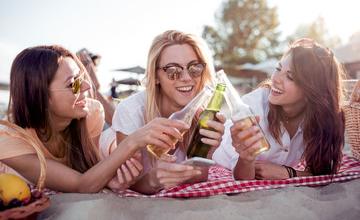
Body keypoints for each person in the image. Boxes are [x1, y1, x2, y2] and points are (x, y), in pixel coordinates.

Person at [0, 45, 190, 193]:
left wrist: (110, 180)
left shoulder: (91, 114)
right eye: (73, 84)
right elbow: (81, 184)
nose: (87, 87)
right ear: (38, 94)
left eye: (83, 77)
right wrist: (132, 141)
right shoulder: (9, 137)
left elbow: (91, 172)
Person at [109, 30, 226, 194]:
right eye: (172, 70)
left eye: (194, 68)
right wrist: (154, 179)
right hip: (109, 142)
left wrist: (206, 153)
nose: (186, 77)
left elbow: (196, 178)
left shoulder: (203, 114)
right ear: (156, 76)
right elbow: (127, 182)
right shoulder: (131, 111)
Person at [212, 38, 346, 180]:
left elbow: (324, 171)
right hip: (216, 149)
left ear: (311, 91)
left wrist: (289, 173)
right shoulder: (254, 106)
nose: (275, 79)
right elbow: (242, 179)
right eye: (278, 69)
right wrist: (246, 159)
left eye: (289, 77)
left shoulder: (321, 120)